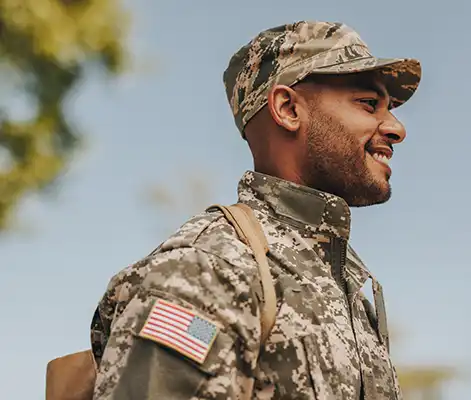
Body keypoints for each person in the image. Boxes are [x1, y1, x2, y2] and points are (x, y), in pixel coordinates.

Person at [90, 20, 421, 400]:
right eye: (369, 104)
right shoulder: (206, 271)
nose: (396, 127)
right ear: (287, 108)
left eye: (389, 108)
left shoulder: (348, 289)